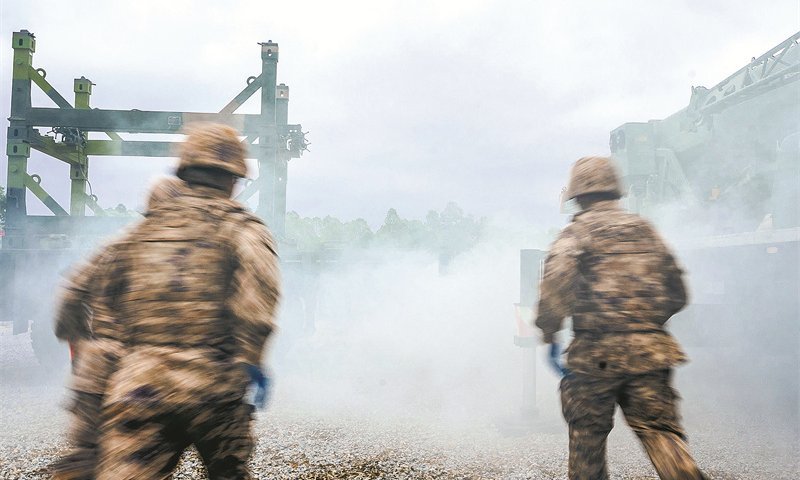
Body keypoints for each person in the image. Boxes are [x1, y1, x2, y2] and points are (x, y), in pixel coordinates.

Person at [92, 123, 281, 480]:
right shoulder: (244, 228)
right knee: (229, 472)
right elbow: (257, 301)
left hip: (141, 385)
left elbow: (102, 300)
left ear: (184, 169)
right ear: (235, 176)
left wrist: (122, 360)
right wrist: (251, 360)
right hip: (213, 383)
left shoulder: (141, 231)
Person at [535, 156, 706, 480]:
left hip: (595, 358)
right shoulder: (645, 230)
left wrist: (549, 331)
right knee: (661, 433)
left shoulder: (577, 233)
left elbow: (555, 284)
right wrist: (647, 325)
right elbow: (678, 292)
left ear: (578, 195)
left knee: (587, 439)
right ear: (615, 190)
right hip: (652, 356)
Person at [51, 175, 188, 480]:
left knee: (85, 457)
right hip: (143, 375)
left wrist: (79, 340)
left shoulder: (115, 244)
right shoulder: (183, 256)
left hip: (96, 368)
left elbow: (70, 295)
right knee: (141, 462)